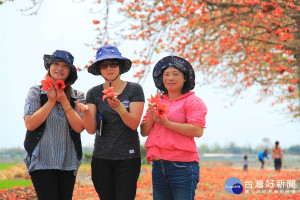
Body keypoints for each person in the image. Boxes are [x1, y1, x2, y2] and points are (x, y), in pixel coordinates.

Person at [76, 45, 145, 200]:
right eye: (104, 65)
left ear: (120, 66)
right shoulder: (93, 92)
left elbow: (134, 124)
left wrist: (119, 107)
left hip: (128, 157)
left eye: (114, 63)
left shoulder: (134, 90)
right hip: (101, 157)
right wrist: (86, 112)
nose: (109, 68)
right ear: (99, 69)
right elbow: (91, 129)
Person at [140, 56, 208, 200]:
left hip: (183, 166)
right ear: (162, 79)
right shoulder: (156, 101)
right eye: (166, 74)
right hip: (158, 165)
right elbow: (144, 131)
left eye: (175, 74)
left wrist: (167, 124)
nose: (170, 77)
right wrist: (152, 115)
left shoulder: (193, 101)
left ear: (185, 78)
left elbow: (197, 130)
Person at [23, 50, 85, 200]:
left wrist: (64, 101)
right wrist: (51, 102)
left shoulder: (78, 96)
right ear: (49, 67)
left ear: (70, 71)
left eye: (65, 66)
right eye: (56, 64)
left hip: (68, 160)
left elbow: (79, 127)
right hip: (42, 160)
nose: (59, 68)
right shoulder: (36, 92)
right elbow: (30, 124)